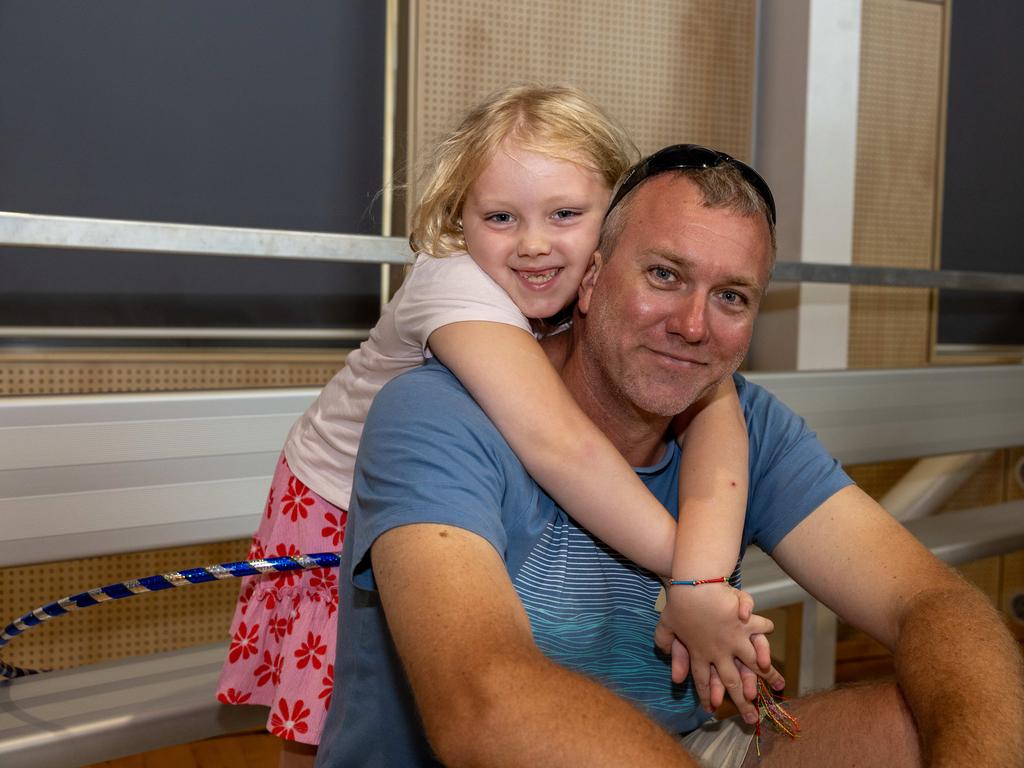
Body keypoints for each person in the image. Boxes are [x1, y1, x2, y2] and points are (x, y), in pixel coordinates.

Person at [314, 144, 1024, 767]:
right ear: (590, 281)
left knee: (939, 720)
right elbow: (483, 702)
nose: (692, 325)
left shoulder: (746, 422)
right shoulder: (437, 413)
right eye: (664, 275)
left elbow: (929, 601)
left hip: (668, 753)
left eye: (732, 296)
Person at [217, 87, 777, 767]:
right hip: (337, 503)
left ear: (612, 218)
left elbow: (716, 406)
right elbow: (557, 444)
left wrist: (703, 580)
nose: (534, 244)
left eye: (565, 214)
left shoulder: (594, 288)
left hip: (445, 492)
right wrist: (690, 579)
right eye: (501, 217)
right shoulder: (456, 287)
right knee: (336, 707)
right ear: (460, 218)